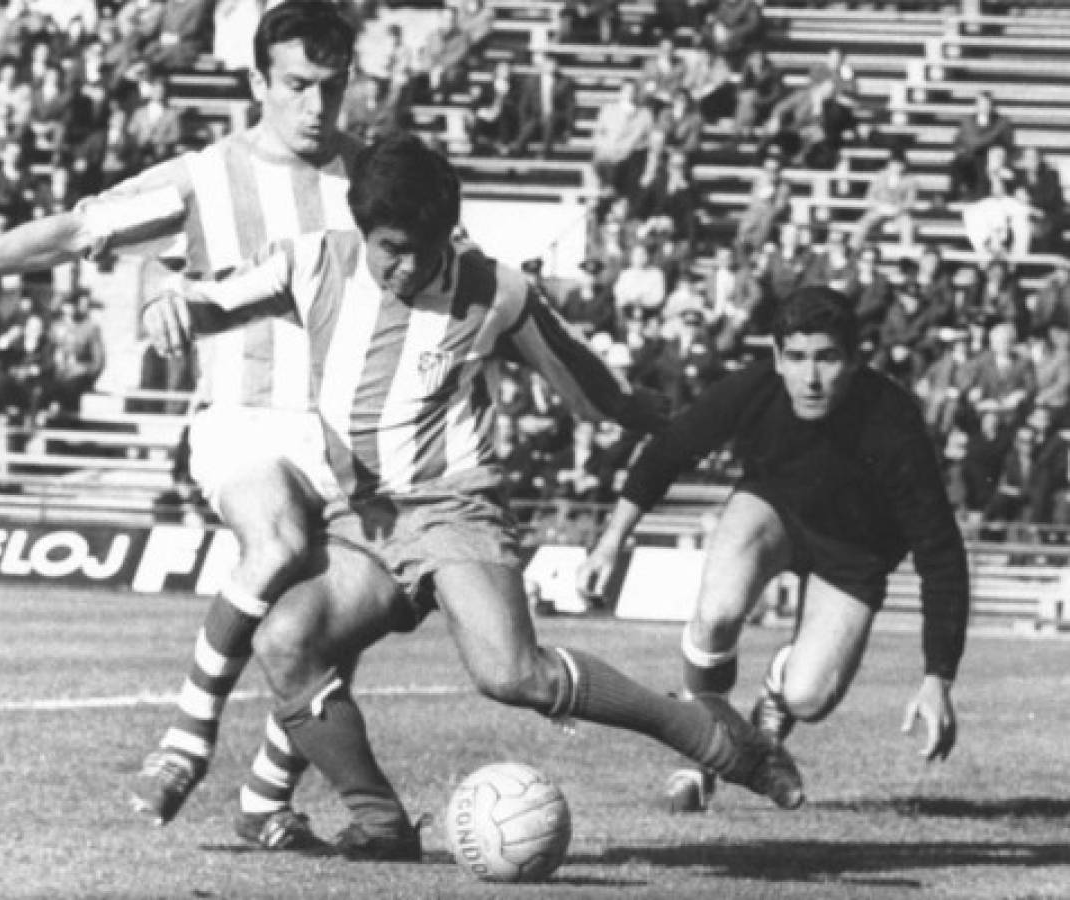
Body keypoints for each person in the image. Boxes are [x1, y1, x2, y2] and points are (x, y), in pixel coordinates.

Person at [141, 133, 806, 856]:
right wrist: (169, 309)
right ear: (362, 229)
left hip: (454, 510)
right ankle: (381, 824)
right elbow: (208, 301)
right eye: (390, 247)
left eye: (423, 249)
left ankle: (706, 734)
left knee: (510, 674)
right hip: (361, 519)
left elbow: (592, 388)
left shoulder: (495, 290)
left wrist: (678, 421)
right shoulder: (311, 262)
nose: (406, 266)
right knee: (286, 640)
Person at [0, 0, 383, 855]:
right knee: (278, 540)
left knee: (335, 622)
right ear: (257, 81)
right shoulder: (201, 177)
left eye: (330, 90)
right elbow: (81, 227)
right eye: (296, 86)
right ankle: (186, 739)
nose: (314, 107)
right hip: (245, 421)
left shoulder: (370, 180)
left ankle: (265, 797)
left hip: (351, 436)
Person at [578, 286, 969, 813]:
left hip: (855, 551)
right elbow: (670, 448)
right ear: (778, 358)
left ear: (855, 361)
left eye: (828, 358)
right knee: (715, 614)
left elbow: (941, 554)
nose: (811, 378)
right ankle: (701, 750)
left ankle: (777, 690)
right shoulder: (755, 387)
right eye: (798, 358)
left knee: (809, 697)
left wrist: (937, 680)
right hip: (774, 513)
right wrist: (608, 544)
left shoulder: (894, 421)